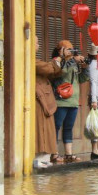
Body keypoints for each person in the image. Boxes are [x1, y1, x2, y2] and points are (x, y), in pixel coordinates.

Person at [52, 40, 89, 163]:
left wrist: (85, 68)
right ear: (60, 50)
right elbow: (61, 73)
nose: (71, 51)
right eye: (68, 49)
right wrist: (72, 60)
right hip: (61, 101)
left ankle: (68, 154)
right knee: (56, 127)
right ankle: (54, 153)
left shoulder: (73, 63)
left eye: (72, 49)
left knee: (68, 127)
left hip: (73, 101)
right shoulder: (56, 61)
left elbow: (82, 79)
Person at [35, 36, 61, 167]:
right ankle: (39, 159)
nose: (38, 45)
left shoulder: (36, 62)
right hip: (39, 101)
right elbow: (49, 69)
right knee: (41, 130)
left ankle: (45, 158)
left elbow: (54, 73)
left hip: (45, 101)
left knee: (47, 130)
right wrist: (58, 60)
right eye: (37, 42)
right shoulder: (32, 62)